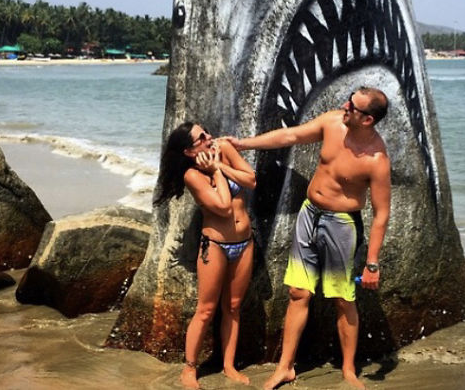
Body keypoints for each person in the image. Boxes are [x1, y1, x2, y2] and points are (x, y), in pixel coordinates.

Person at [227, 87, 391, 390]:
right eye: (348, 99)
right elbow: (290, 136)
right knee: (298, 293)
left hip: (342, 226)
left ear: (368, 120)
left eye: (352, 106)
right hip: (309, 214)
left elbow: (381, 213)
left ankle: (349, 371)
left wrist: (371, 263)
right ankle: (285, 367)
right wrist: (242, 144)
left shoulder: (376, 160)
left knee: (344, 299)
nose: (344, 105)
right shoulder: (332, 123)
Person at [155, 121, 256, 389]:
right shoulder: (192, 176)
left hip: (245, 243)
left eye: (207, 132)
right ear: (189, 151)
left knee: (233, 307)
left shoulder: (223, 149)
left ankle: (229, 365)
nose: (210, 137)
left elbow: (251, 180)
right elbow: (223, 207)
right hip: (215, 246)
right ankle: (189, 369)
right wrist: (215, 171)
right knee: (206, 310)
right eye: (202, 137)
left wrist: (219, 166)